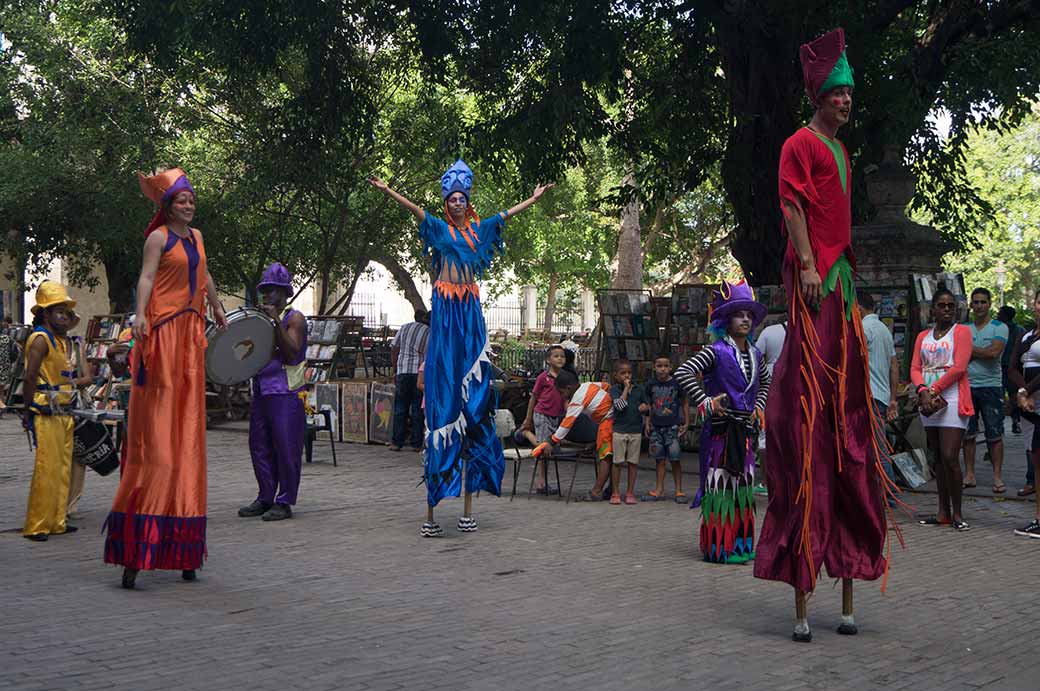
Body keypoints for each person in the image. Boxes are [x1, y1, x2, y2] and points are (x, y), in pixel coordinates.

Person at [753, 29, 896, 643]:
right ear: (819, 94)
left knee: (845, 407)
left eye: (850, 94)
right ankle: (804, 583)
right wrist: (808, 263)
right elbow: (791, 205)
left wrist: (835, 277)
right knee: (810, 402)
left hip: (842, 285)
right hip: (816, 280)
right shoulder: (799, 144)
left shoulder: (839, 151)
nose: (846, 102)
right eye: (838, 92)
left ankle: (845, 578)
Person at [369, 162, 552, 537]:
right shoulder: (439, 228)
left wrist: (533, 199)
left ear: (467, 201)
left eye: (460, 198)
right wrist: (388, 190)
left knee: (474, 390)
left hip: (468, 312)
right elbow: (416, 211)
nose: (454, 203)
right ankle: (434, 505)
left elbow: (507, 213)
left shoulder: (478, 230)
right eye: (450, 198)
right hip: (446, 312)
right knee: (445, 386)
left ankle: (469, 501)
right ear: (446, 201)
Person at [103, 168, 228, 589]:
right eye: (181, 200)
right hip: (163, 335)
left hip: (190, 338)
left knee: (187, 438)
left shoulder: (197, 239)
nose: (189, 205)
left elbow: (205, 274)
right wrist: (139, 315)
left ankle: (184, 549)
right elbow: (146, 278)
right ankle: (138, 550)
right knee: (158, 441)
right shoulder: (157, 239)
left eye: (191, 199)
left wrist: (217, 305)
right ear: (167, 205)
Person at [675, 281, 771, 564]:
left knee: (743, 486)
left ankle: (740, 546)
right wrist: (706, 401)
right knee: (720, 485)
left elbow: (765, 381)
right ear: (725, 320)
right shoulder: (715, 350)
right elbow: (684, 372)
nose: (744, 319)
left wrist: (759, 407)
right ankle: (719, 548)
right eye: (738, 314)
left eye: (748, 315)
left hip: (745, 432)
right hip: (720, 432)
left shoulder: (755, 353)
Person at [238, 263, 308, 522]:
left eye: (272, 290)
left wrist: (275, 320)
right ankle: (265, 496)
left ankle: (285, 500)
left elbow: (291, 352)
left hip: (286, 393)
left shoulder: (294, 318)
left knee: (286, 448)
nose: (267, 295)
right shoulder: (261, 320)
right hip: (262, 391)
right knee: (259, 446)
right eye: (264, 291)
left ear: (285, 293)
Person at [911, 288, 974, 531]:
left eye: (950, 305)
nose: (947, 309)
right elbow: (915, 367)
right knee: (937, 457)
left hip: (953, 396)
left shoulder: (962, 332)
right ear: (933, 308)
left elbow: (959, 367)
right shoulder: (922, 336)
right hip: (927, 398)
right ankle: (942, 512)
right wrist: (922, 391)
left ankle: (957, 512)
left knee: (950, 456)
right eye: (942, 305)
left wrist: (934, 389)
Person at [20, 281, 79, 542]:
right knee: (47, 468)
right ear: (45, 314)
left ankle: (57, 521)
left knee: (63, 467)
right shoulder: (41, 339)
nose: (65, 317)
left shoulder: (61, 341)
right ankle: (37, 525)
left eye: (66, 313)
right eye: (59, 312)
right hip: (45, 409)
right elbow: (30, 376)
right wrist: (27, 410)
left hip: (64, 408)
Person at [532, 370, 615, 500]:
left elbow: (567, 424)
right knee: (611, 457)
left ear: (568, 388)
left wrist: (551, 442)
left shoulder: (577, 400)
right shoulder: (588, 385)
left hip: (607, 424)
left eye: (561, 392)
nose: (562, 396)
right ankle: (611, 489)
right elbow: (607, 386)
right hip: (614, 420)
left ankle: (596, 491)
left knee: (604, 457)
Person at [962, 288, 1008, 493]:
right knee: (968, 434)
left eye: (983, 302)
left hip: (991, 386)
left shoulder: (999, 327)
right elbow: (957, 355)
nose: (979, 306)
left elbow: (994, 353)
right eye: (976, 302)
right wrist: (979, 352)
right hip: (967, 385)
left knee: (994, 433)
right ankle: (970, 474)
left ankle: (997, 477)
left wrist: (969, 351)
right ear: (971, 305)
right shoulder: (964, 328)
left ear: (989, 304)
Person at [859, 293, 900, 492]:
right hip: (881, 396)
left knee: (877, 448)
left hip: (871, 396)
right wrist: (892, 397)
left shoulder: (864, 329)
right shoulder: (884, 329)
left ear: (857, 308)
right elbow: (894, 365)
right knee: (876, 445)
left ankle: (888, 493)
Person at [1008, 291, 1040, 537]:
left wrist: (1027, 391)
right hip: (1029, 406)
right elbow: (1012, 366)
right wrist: (1022, 392)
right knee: (1035, 458)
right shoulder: (1027, 335)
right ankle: (1038, 518)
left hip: (1034, 399)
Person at [519, 344, 567, 493]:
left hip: (555, 416)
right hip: (542, 414)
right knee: (543, 447)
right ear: (548, 360)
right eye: (556, 356)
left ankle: (543, 482)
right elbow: (534, 397)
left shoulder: (565, 378)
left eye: (562, 356)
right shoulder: (543, 377)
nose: (560, 358)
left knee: (549, 450)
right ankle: (525, 433)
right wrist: (528, 419)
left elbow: (567, 397)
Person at [65, 310, 99, 519]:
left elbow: (88, 378)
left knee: (78, 456)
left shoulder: (77, 345)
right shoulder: (43, 342)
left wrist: (70, 383)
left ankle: (71, 505)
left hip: (77, 404)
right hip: (52, 405)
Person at [644, 355, 690, 501]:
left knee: (675, 459)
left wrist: (687, 422)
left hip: (673, 427)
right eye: (659, 366)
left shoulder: (677, 384)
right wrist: (647, 422)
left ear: (671, 367)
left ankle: (679, 490)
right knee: (659, 459)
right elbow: (649, 406)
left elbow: (684, 403)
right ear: (654, 367)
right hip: (656, 427)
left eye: (665, 366)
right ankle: (659, 489)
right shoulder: (650, 384)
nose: (662, 369)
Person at [389, 308, 430, 452]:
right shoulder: (429, 332)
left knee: (400, 408)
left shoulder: (404, 327)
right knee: (418, 408)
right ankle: (416, 443)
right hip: (419, 372)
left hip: (403, 371)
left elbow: (394, 348)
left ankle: (396, 442)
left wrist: (395, 368)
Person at [609, 358, 645, 505]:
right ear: (616, 376)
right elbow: (620, 406)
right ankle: (616, 492)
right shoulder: (614, 390)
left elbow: (645, 404)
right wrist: (625, 389)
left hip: (635, 429)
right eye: (623, 373)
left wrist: (645, 408)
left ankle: (630, 492)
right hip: (620, 430)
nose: (627, 376)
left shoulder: (638, 390)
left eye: (629, 373)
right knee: (617, 462)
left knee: (633, 462)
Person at [997, 306, 1024, 434]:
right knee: (1014, 396)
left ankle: (1000, 423)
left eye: (999, 314)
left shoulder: (997, 329)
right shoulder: (1020, 330)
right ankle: (1016, 421)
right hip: (1014, 369)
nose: (997, 315)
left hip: (1000, 367)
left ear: (1005, 316)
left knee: (999, 396)